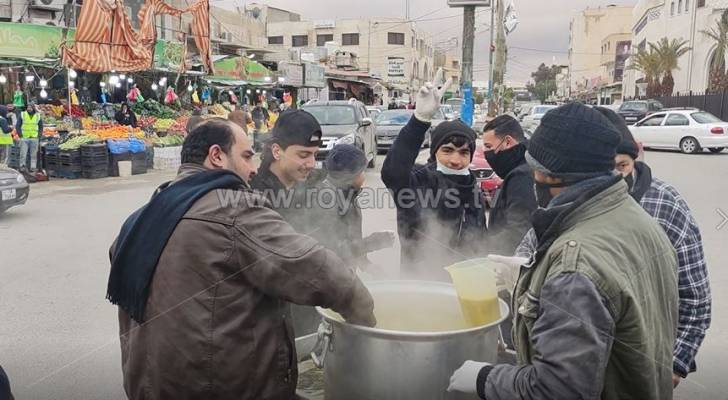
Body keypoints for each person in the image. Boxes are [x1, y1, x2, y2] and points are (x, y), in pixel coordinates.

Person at [107, 118, 375, 400]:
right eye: (246, 156)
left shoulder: (141, 218)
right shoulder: (232, 208)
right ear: (216, 156)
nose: (252, 167)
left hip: (148, 387)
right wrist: (365, 318)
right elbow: (315, 268)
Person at [447, 102, 679, 399]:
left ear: (550, 176)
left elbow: (557, 389)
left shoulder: (576, 265)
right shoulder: (637, 219)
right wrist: (530, 280)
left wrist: (484, 378)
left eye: (535, 170)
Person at [596, 106, 712, 388]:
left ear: (637, 154)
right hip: (586, 362)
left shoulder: (666, 205)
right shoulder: (573, 201)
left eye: (622, 166)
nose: (614, 177)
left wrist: (676, 364)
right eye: (603, 169)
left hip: (646, 364)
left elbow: (695, 297)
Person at [381, 78, 487, 281]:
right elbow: (392, 174)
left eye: (464, 153)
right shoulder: (419, 182)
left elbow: (480, 237)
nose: (456, 160)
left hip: (466, 285)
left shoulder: (472, 187)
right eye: (447, 150)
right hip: (420, 285)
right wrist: (419, 120)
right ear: (435, 152)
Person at [310, 144, 395, 268]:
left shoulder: (349, 195)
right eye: (361, 172)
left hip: (345, 272)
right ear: (349, 177)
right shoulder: (326, 202)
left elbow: (351, 238)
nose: (364, 176)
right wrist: (372, 243)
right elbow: (333, 249)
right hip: (329, 276)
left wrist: (366, 264)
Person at [250, 109, 325, 232]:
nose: (312, 164)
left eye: (315, 155)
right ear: (277, 151)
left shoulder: (317, 187)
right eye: (303, 155)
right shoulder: (255, 198)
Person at [481, 115, 536, 256]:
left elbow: (518, 230)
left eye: (489, 147)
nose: (487, 153)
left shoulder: (521, 175)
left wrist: (478, 248)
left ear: (507, 142)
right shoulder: (525, 165)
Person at [15, 102, 43, 172]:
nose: (29, 108)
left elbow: (41, 126)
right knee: (23, 154)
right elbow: (17, 126)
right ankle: (22, 166)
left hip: (34, 137)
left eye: (30, 107)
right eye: (28, 107)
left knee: (33, 155)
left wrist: (39, 135)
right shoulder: (22, 114)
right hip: (24, 138)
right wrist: (20, 135)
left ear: (33, 108)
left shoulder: (38, 116)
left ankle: (33, 168)